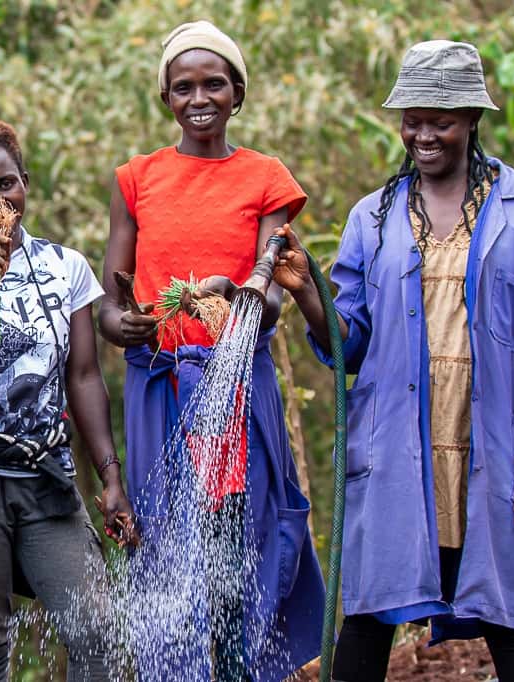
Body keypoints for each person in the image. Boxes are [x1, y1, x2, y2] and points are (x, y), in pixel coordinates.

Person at [268, 40, 514, 682]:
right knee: (370, 616)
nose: (424, 134)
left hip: (488, 445)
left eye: (441, 119)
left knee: (512, 620)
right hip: (396, 449)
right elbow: (346, 348)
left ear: (472, 120)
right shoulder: (372, 219)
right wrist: (306, 292)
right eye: (413, 119)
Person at [94, 21, 323, 682]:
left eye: (214, 83)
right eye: (184, 85)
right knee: (166, 538)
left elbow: (272, 293)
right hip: (160, 384)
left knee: (242, 532)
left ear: (237, 92)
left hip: (236, 382)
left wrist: (236, 295)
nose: (200, 97)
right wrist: (124, 324)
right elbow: (114, 298)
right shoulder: (136, 180)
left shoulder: (265, 178)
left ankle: (243, 669)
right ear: (165, 96)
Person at [0, 118, 138, 682]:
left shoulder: (65, 266)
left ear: (25, 183)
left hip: (46, 474)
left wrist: (110, 477)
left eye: (5, 184)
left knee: (96, 629)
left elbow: (85, 376)